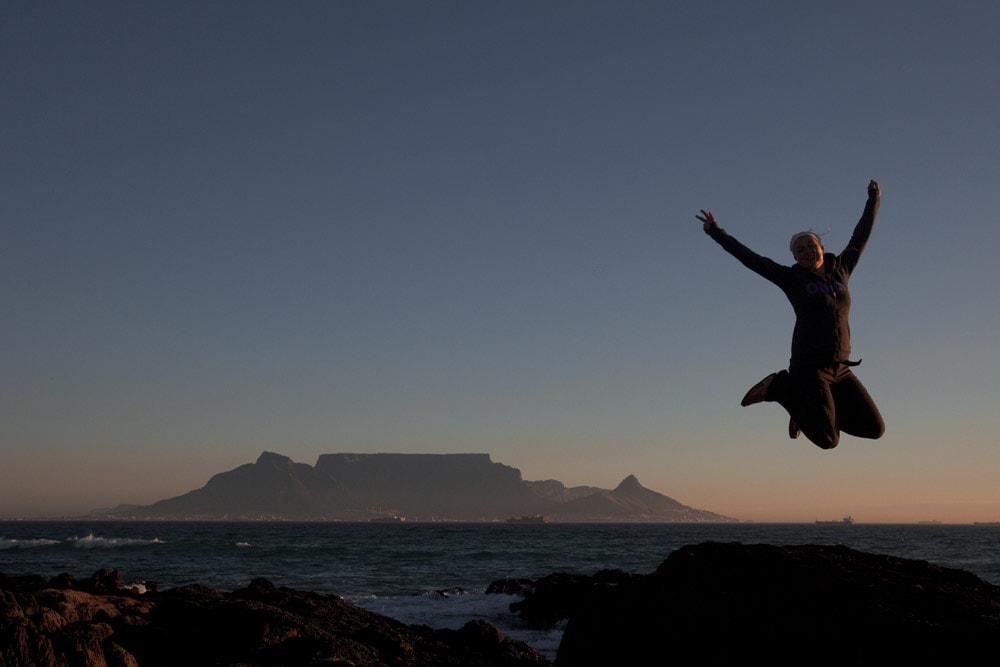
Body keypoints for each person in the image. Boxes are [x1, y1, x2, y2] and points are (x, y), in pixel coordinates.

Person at [696, 181, 885, 449]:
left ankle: (806, 411)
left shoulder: (841, 268)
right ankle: (779, 387)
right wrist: (716, 232)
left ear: (821, 247)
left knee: (874, 429)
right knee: (828, 440)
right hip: (810, 368)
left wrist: (873, 200)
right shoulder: (791, 279)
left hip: (841, 368)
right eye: (800, 250)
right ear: (795, 258)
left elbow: (861, 235)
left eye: (811, 246)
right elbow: (750, 259)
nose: (807, 252)